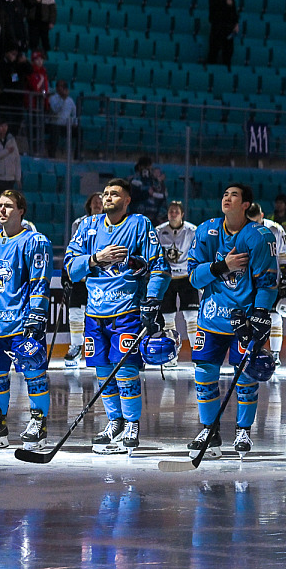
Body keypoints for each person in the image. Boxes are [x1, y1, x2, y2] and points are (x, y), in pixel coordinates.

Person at [64, 178, 171, 454]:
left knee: (125, 371)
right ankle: (115, 422)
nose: (108, 197)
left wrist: (152, 300)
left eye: (114, 193)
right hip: (94, 313)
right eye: (105, 193)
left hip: (127, 312)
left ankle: (132, 423)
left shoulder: (139, 224)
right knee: (102, 372)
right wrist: (96, 258)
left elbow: (160, 266)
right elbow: (70, 268)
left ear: (127, 200)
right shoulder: (87, 226)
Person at [185, 183, 278, 460]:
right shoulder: (206, 230)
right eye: (225, 194)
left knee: (247, 376)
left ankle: (243, 430)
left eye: (234, 195)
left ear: (246, 204)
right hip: (211, 319)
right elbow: (194, 277)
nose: (227, 198)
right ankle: (209, 430)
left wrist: (261, 312)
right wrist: (222, 266)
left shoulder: (259, 236)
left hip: (244, 322)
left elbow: (268, 282)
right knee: (204, 373)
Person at [0, 190, 52, 450]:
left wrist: (37, 313)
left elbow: (40, 280)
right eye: (0, 205)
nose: (2, 210)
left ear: (21, 210)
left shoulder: (35, 241)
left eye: (8, 206)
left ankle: (38, 423)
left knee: (34, 373)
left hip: (21, 323)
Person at [155, 201, 198, 366]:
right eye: (171, 211)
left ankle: (197, 354)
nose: (173, 214)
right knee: (168, 318)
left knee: (192, 317)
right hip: (167, 278)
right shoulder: (159, 231)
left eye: (176, 212)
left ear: (182, 214)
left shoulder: (192, 231)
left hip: (187, 277)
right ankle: (170, 356)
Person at [62, 190, 101, 367]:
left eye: (100, 201)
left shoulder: (110, 223)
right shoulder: (79, 223)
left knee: (99, 313)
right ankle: (76, 346)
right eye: (95, 201)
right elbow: (73, 247)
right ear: (89, 204)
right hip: (81, 273)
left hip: (100, 276)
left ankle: (98, 347)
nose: (98, 204)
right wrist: (67, 272)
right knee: (75, 311)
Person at [206, 0, 238, 68]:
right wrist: (225, 3)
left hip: (228, 28)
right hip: (217, 27)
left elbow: (233, 10)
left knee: (228, 52)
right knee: (214, 51)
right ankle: (211, 70)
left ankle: (226, 70)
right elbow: (215, 7)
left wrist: (236, 23)